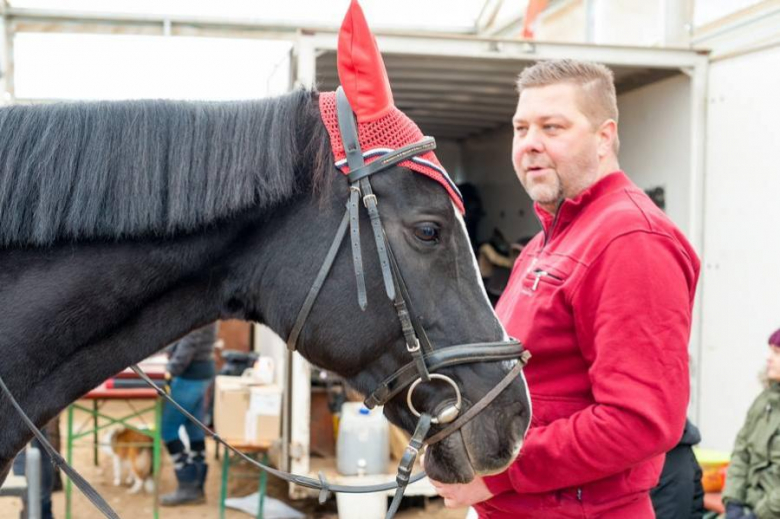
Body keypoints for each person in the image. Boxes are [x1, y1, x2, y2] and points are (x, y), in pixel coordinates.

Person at [429, 59, 700, 518]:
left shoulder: (630, 239)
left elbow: (638, 421)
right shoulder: (546, 243)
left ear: (604, 137)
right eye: (521, 129)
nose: (530, 143)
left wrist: (499, 471)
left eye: (552, 127)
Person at [720, 328, 780, 519]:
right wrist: (733, 502)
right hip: (747, 506)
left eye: (777, 352)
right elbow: (741, 451)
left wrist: (758, 514)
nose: (768, 358)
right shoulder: (764, 401)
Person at [159, 323, 218, 507]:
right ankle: (197, 488)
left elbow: (189, 342)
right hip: (201, 371)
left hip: (190, 375)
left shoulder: (197, 307)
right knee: (194, 430)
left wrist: (170, 370)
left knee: (168, 430)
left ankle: (187, 486)